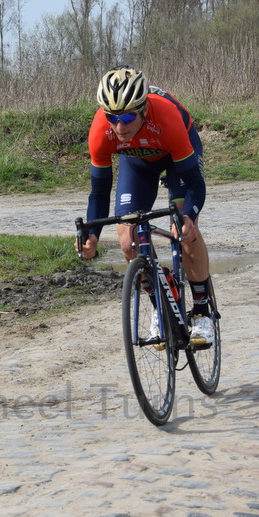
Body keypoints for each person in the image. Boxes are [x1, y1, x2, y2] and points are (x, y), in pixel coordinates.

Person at [76, 65, 214, 344]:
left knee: (183, 232)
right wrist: (91, 237)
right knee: (127, 241)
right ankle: (159, 305)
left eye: (127, 117)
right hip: (137, 163)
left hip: (177, 159)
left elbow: (195, 185)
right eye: (112, 117)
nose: (119, 126)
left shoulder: (166, 117)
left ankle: (202, 312)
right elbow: (99, 191)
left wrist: (188, 217)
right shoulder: (102, 129)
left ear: (144, 110)